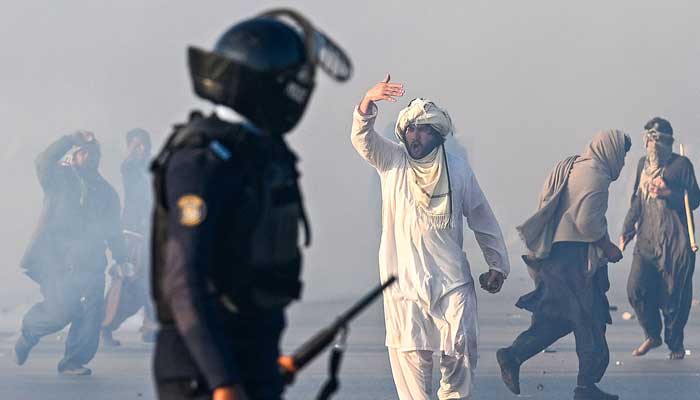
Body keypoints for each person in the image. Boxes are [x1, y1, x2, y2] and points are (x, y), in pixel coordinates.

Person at [149, 9, 352, 400]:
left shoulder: (259, 155)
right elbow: (183, 281)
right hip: (200, 375)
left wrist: (261, 371)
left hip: (250, 361)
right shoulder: (204, 160)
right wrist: (223, 381)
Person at [350, 75, 510, 400]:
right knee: (410, 360)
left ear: (437, 134)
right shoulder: (392, 161)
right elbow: (362, 139)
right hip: (404, 284)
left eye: (423, 129)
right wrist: (368, 100)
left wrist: (497, 264)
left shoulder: (458, 169)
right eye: (410, 129)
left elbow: (482, 216)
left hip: (451, 281)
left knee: (461, 351)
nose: (415, 135)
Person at [497, 130, 631, 400]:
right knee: (588, 320)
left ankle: (518, 357)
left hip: (558, 258)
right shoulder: (596, 176)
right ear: (612, 150)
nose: (623, 162)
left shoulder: (574, 165)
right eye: (623, 155)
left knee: (560, 320)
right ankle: (583, 386)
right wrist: (608, 247)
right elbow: (587, 223)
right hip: (573, 261)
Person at [15, 130, 129, 376]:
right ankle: (30, 332)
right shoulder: (58, 178)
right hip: (57, 260)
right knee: (61, 312)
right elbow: (42, 161)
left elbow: (114, 229)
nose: (89, 157)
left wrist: (122, 258)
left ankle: (73, 361)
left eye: (93, 154)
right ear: (75, 154)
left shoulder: (106, 192)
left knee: (91, 312)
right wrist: (70, 139)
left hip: (92, 261)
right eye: (84, 152)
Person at [620, 117, 699, 360]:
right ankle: (652, 334)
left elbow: (695, 200)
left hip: (676, 244)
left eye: (658, 140)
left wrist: (668, 193)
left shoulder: (681, 165)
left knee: (675, 296)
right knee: (636, 288)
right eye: (649, 139)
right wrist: (626, 230)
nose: (652, 145)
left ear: (667, 143)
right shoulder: (643, 165)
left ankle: (675, 344)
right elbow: (637, 200)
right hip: (647, 241)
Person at [101, 128, 157, 346]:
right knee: (125, 281)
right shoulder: (130, 167)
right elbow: (128, 166)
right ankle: (104, 325)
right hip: (133, 236)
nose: (141, 149)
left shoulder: (151, 167)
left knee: (152, 282)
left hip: (150, 233)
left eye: (144, 144)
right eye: (136, 145)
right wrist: (132, 152)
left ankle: (151, 325)